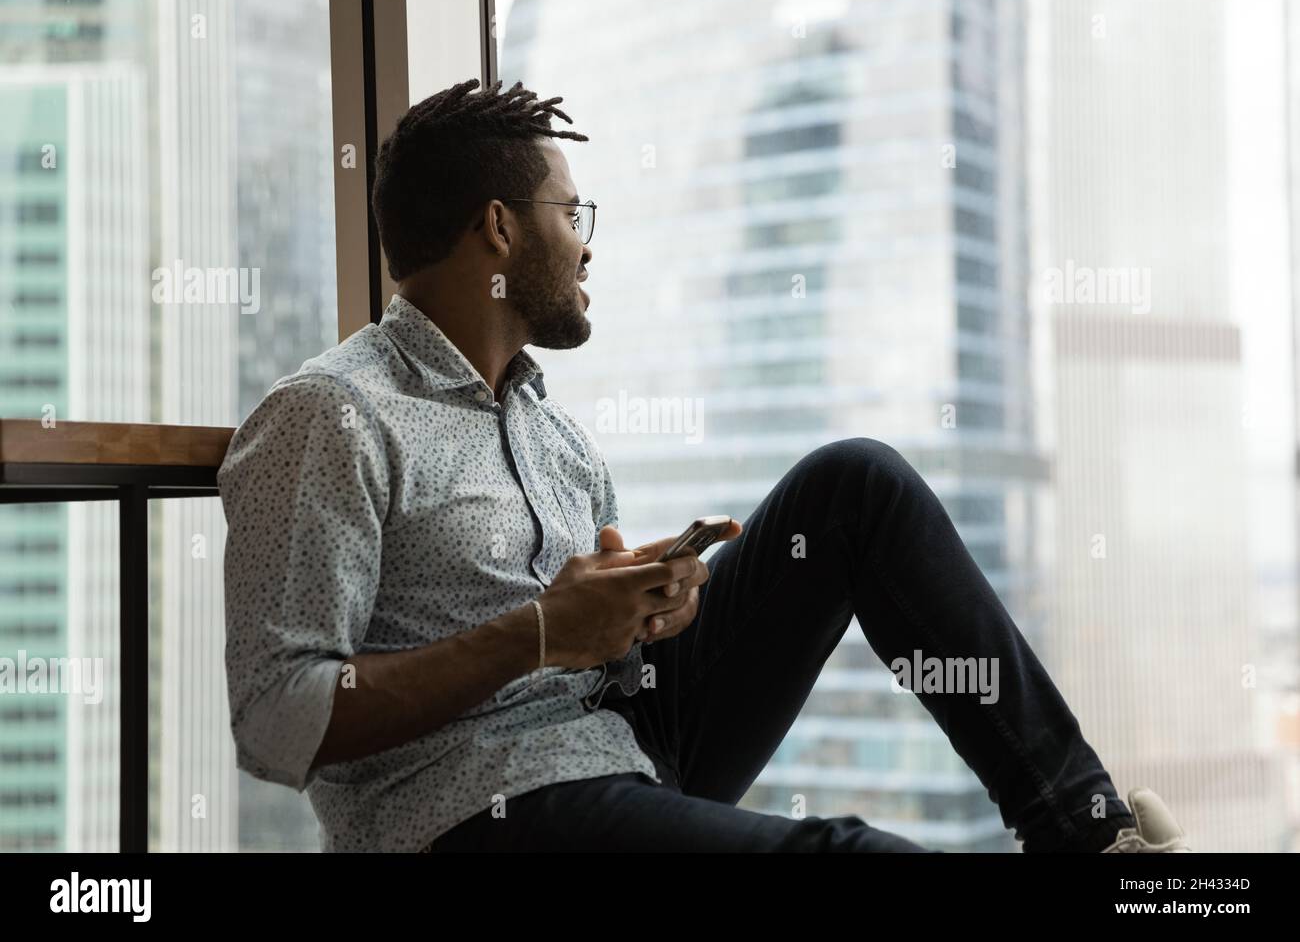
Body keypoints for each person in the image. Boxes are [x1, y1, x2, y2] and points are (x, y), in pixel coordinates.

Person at [218, 78, 1191, 853]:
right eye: (572, 211)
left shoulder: (554, 436)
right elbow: (274, 716)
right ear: (500, 228)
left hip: (625, 738)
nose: (588, 245)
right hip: (472, 807)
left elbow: (591, 648)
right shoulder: (331, 414)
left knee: (856, 482)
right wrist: (541, 631)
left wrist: (640, 611)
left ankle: (1089, 836)